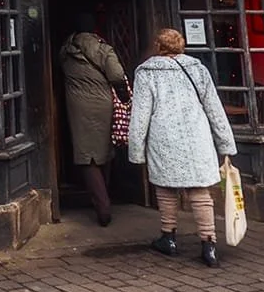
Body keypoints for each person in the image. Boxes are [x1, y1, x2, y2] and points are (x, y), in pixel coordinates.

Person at [129, 28, 238, 268]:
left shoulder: (146, 72)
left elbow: (140, 115)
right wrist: (226, 144)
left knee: (166, 188)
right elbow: (214, 108)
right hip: (197, 135)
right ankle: (208, 244)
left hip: (164, 137)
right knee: (200, 192)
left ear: (158, 46)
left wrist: (136, 150)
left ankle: (168, 237)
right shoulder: (198, 69)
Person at [59, 13, 129, 227]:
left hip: (76, 105)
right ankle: (105, 206)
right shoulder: (102, 48)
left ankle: (101, 204)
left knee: (87, 154)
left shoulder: (65, 49)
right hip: (102, 103)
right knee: (103, 151)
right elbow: (117, 74)